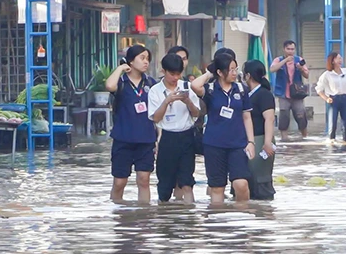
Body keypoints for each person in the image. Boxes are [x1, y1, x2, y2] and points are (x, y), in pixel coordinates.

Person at [105, 45, 156, 203]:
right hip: (123, 139)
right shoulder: (121, 82)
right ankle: (118, 214)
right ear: (131, 61)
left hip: (146, 140)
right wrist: (120, 68)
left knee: (144, 180)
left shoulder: (151, 83)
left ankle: (144, 217)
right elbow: (109, 86)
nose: (146, 62)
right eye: (142, 58)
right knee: (120, 182)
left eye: (148, 58)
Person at [148, 53, 202, 203]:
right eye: (172, 74)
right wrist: (166, 102)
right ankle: (165, 218)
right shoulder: (155, 91)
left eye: (178, 74)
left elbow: (196, 114)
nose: (175, 77)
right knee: (165, 185)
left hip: (187, 136)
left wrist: (188, 102)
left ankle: (189, 217)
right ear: (163, 71)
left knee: (187, 182)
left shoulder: (187, 87)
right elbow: (155, 118)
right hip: (167, 137)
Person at [201, 50, 253, 206]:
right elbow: (194, 85)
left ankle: (244, 216)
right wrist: (210, 73)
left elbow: (247, 117)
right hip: (214, 144)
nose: (235, 73)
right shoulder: (210, 89)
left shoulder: (241, 89)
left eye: (236, 69)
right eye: (231, 69)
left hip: (237, 144)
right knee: (217, 187)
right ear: (220, 72)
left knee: (241, 184)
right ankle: (218, 222)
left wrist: (251, 142)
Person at [242, 59, 277, 200]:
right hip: (250, 141)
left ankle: (263, 212)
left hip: (261, 139)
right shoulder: (247, 94)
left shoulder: (264, 94)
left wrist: (267, 142)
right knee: (247, 177)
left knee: (260, 178)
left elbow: (269, 118)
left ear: (248, 75)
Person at [315, 51, 346, 145]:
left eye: (341, 58)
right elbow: (319, 89)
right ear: (332, 61)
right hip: (333, 99)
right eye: (338, 58)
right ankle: (331, 141)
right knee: (333, 122)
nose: (340, 60)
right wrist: (326, 98)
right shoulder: (327, 74)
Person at [269, 40, 310, 141]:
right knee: (284, 116)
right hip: (283, 94)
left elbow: (306, 74)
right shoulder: (278, 60)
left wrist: (300, 68)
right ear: (284, 49)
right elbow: (272, 69)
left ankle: (305, 137)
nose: (290, 51)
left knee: (301, 116)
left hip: (297, 93)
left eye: (292, 49)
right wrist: (285, 61)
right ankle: (284, 139)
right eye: (288, 49)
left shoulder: (299, 59)